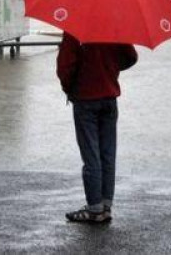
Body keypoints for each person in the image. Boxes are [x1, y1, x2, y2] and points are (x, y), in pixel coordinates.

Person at [56, 32, 138, 224]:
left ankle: (94, 208)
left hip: (85, 100)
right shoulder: (113, 27)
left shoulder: (75, 29)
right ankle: (106, 206)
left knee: (91, 155)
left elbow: (65, 67)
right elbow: (131, 57)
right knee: (107, 155)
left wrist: (71, 89)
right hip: (109, 98)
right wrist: (110, 69)